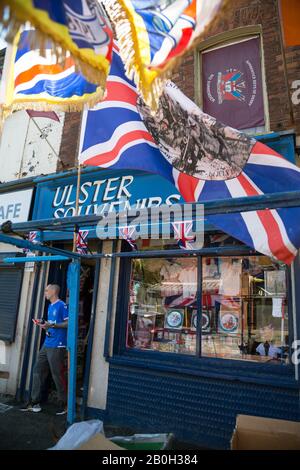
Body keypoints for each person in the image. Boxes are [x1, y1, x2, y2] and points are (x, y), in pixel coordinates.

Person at [20, 284, 68, 415]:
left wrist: (52, 324)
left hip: (57, 345)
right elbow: (51, 326)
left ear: (53, 291)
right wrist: (44, 326)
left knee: (57, 374)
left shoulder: (62, 305)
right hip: (47, 343)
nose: (45, 292)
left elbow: (68, 323)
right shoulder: (50, 306)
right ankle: (35, 403)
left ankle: (65, 405)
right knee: (37, 370)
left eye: (47, 290)